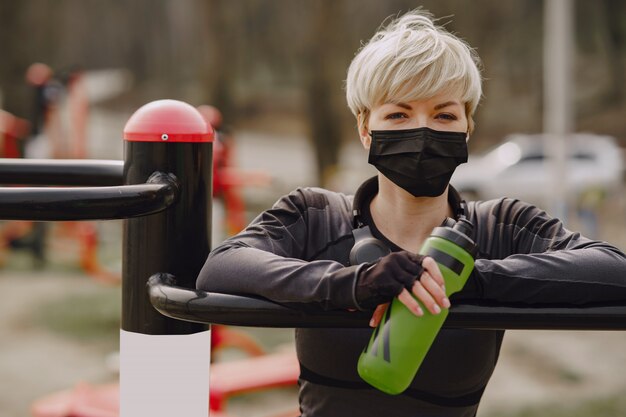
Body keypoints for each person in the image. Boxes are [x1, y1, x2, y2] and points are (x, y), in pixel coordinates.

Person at [197, 9, 626, 417]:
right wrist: (351, 284)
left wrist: (466, 279)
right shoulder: (314, 214)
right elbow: (222, 267)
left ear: (467, 126)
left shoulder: (503, 224)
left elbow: (613, 269)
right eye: (398, 114)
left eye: (444, 114)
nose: (422, 131)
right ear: (366, 129)